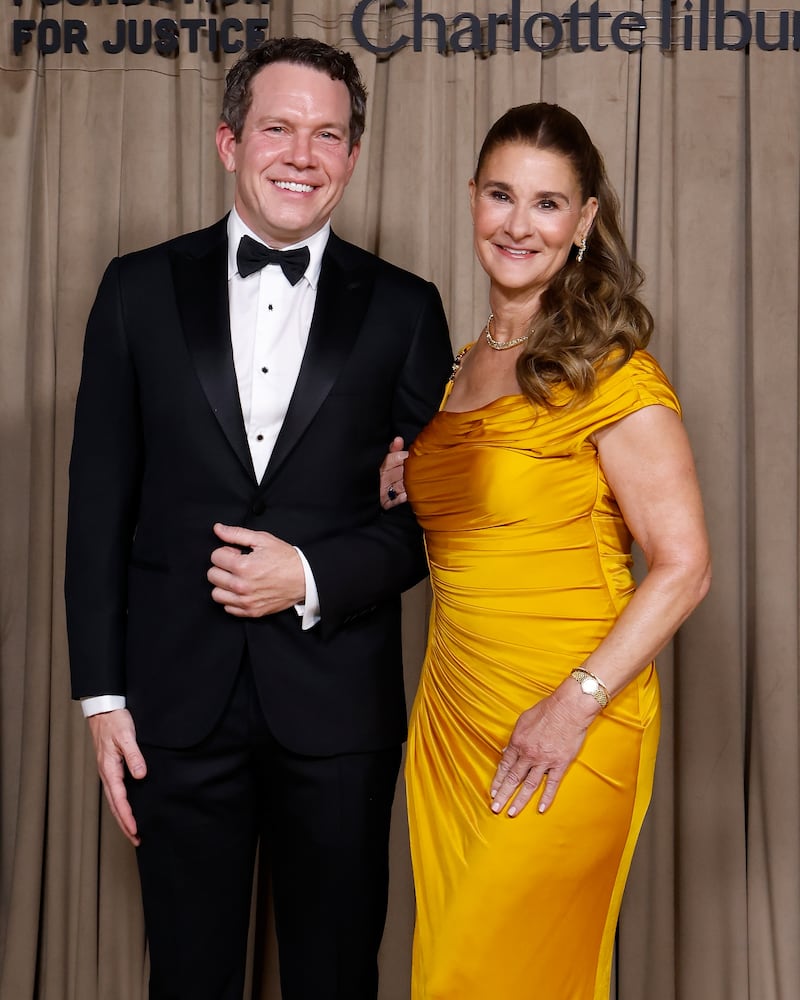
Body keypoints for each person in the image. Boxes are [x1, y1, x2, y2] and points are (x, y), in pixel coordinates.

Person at [65, 37, 452, 1000]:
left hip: (337, 707)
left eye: (328, 135)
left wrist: (312, 577)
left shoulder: (408, 310)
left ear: (354, 157)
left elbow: (435, 521)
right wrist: (101, 699)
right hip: (173, 705)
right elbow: (95, 505)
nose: (302, 154)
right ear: (229, 141)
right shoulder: (134, 289)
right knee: (189, 978)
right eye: (278, 127)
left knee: (334, 977)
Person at [379, 102, 711, 999]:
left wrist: (574, 705)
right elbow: (486, 509)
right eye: (500, 195)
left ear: (586, 221)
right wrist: (411, 472)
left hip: (571, 719)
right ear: (473, 199)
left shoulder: (613, 369)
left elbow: (685, 566)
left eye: (548, 204)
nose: (518, 225)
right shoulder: (458, 364)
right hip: (452, 719)